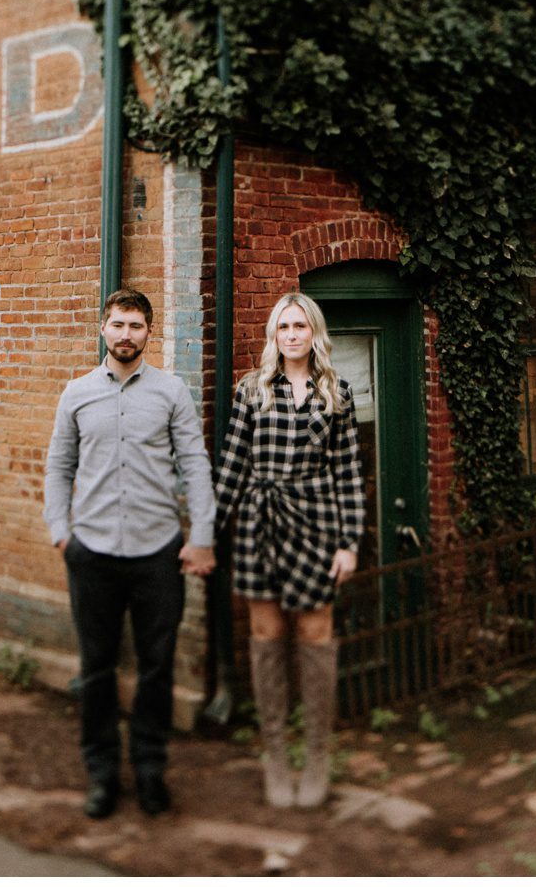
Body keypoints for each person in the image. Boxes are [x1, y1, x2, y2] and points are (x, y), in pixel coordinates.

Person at [45, 288, 216, 820]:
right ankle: (101, 774)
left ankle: (148, 771)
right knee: (96, 670)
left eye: (136, 326)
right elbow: (58, 467)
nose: (126, 334)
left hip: (156, 555)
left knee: (157, 669)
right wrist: (60, 531)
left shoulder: (172, 393)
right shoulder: (75, 394)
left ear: (149, 332)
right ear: (103, 329)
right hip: (91, 553)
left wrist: (203, 536)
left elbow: (196, 464)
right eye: (117, 324)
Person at [213, 291, 367, 809]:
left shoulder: (338, 393)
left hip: (318, 523)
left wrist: (349, 543)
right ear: (274, 336)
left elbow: (349, 474)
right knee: (266, 633)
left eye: (301, 325)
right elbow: (232, 466)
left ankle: (318, 755)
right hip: (261, 523)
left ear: (314, 332)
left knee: (315, 634)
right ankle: (276, 755)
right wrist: (208, 533)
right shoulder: (251, 390)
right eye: (284, 327)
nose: (293, 334)